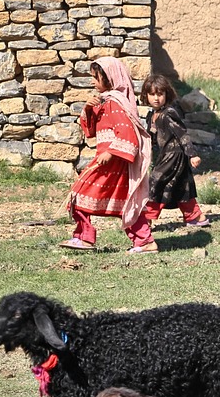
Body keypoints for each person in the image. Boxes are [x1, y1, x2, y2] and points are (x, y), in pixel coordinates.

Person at [61, 57, 156, 252]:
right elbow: (91, 131)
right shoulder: (107, 102)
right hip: (109, 162)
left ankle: (85, 238)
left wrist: (111, 153)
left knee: (77, 196)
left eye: (96, 78)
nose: (92, 82)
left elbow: (128, 135)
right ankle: (145, 242)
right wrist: (88, 108)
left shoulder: (116, 103)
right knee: (125, 203)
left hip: (112, 162)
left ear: (110, 78)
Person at [140, 74, 209, 228]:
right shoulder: (152, 115)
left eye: (160, 94)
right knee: (181, 186)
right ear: (146, 96)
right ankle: (195, 217)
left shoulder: (169, 113)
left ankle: (146, 219)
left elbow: (182, 134)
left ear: (167, 94)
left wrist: (193, 154)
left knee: (155, 183)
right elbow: (152, 138)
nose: (156, 98)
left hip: (175, 155)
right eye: (152, 94)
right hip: (166, 155)